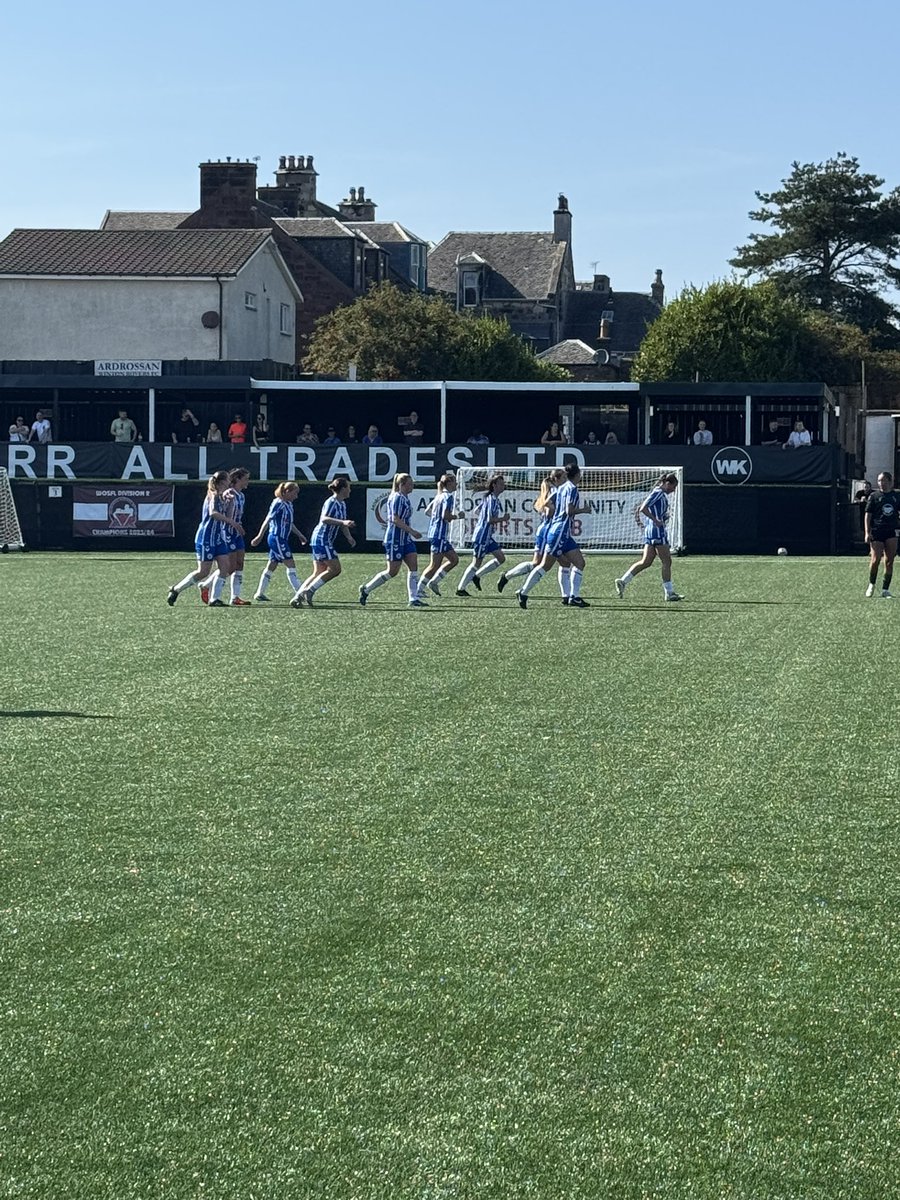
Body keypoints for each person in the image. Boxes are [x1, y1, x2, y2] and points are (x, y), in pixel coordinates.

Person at [515, 463, 590, 608]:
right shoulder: (572, 489)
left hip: (563, 533)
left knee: (580, 563)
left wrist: (557, 513)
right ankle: (523, 592)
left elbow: (548, 502)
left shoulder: (561, 488)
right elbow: (569, 511)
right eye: (580, 473)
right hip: (559, 533)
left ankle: (574, 597)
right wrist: (584, 510)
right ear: (577, 474)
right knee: (544, 565)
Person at [166, 471, 242, 606]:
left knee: (225, 567)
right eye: (227, 481)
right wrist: (232, 523)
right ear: (220, 482)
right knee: (203, 571)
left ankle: (215, 598)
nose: (230, 483)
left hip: (218, 537)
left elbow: (228, 517)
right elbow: (213, 513)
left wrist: (231, 502)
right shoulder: (212, 495)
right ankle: (176, 589)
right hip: (206, 537)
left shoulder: (224, 497)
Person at [358, 473, 426, 608]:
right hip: (395, 539)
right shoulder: (397, 498)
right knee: (392, 571)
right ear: (402, 484)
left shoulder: (405, 498)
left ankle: (413, 598)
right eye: (410, 483)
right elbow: (395, 519)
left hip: (405, 539)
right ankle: (366, 589)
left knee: (413, 566)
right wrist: (412, 531)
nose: (412, 486)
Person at [615, 473, 684, 602]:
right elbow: (643, 508)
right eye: (673, 487)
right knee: (667, 561)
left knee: (646, 561)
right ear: (667, 484)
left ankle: (623, 581)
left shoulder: (659, 493)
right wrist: (656, 520)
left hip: (650, 531)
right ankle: (669, 593)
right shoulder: (658, 492)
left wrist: (662, 517)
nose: (673, 490)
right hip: (657, 531)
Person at [497, 467, 566, 595]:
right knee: (557, 563)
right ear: (556, 480)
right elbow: (550, 511)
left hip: (543, 529)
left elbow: (540, 507)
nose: (565, 481)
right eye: (563, 478)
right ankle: (567, 596)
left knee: (539, 562)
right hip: (550, 530)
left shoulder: (544, 495)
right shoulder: (556, 493)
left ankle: (507, 576)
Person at [290, 478, 356, 607]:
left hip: (322, 540)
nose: (350, 490)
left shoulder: (342, 504)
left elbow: (343, 524)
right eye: (348, 487)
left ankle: (297, 597)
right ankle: (309, 591)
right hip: (322, 539)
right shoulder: (332, 501)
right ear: (342, 489)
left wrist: (349, 537)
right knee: (336, 569)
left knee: (318, 572)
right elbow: (324, 519)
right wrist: (343, 522)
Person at [249, 482, 308, 601]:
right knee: (291, 565)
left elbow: (289, 523)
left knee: (272, 565)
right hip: (277, 538)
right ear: (287, 492)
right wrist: (259, 536)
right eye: (294, 493)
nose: (296, 496)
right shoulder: (278, 503)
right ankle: (301, 593)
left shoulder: (289, 505)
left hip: (281, 539)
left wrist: (300, 535)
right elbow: (268, 519)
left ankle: (259, 593)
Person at [203, 467, 252, 606]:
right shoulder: (228, 493)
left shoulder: (241, 495)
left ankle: (235, 597)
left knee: (240, 563)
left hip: (236, 532)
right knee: (229, 567)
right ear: (237, 479)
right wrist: (232, 525)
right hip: (228, 532)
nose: (247, 482)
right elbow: (222, 511)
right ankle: (207, 584)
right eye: (245, 479)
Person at [456, 474, 507, 597]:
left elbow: (477, 511)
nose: (503, 486)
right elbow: (489, 519)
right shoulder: (492, 500)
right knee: (476, 563)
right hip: (482, 536)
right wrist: (503, 519)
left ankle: (477, 576)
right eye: (501, 484)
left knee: (501, 558)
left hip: (487, 535)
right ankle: (460, 588)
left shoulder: (489, 498)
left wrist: (482, 521)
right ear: (494, 486)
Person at [417, 472, 463, 598]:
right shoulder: (448, 497)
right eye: (454, 482)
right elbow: (445, 516)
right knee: (434, 564)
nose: (456, 484)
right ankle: (419, 589)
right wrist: (458, 516)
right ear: (448, 483)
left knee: (454, 560)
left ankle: (434, 582)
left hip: (437, 533)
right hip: (439, 534)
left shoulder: (439, 496)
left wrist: (435, 519)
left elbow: (427, 511)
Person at [864, 471, 900, 598]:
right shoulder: (874, 496)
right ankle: (871, 584)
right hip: (877, 531)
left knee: (889, 561)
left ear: (890, 482)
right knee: (875, 560)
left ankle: (885, 589)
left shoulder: (896, 496)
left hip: (891, 531)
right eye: (879, 480)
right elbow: (868, 515)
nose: (881, 483)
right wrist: (867, 532)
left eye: (884, 480)